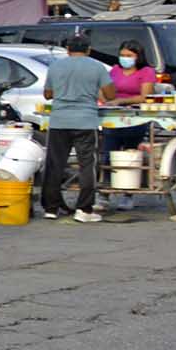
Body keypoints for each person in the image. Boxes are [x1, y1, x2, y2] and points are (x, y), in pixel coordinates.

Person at [42, 33, 114, 223]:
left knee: (55, 165)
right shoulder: (97, 66)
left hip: (59, 121)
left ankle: (51, 208)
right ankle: (84, 209)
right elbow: (110, 94)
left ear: (68, 50)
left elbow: (48, 94)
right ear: (88, 50)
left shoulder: (55, 66)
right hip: (85, 121)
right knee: (87, 165)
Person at [102, 39, 159, 210]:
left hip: (136, 118)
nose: (124, 58)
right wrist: (107, 101)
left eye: (129, 55)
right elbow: (106, 90)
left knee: (131, 155)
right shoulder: (115, 70)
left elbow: (145, 96)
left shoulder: (146, 72)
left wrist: (122, 101)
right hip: (113, 118)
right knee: (108, 155)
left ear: (137, 57)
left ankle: (128, 195)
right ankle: (104, 193)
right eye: (122, 55)